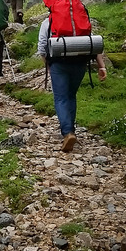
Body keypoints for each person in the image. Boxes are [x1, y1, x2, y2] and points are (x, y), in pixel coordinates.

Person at [37, 15, 106, 152]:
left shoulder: (48, 22)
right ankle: (71, 130)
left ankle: (68, 132)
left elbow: (42, 47)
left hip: (59, 64)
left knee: (61, 98)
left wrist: (49, 66)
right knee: (71, 95)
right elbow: (93, 44)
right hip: (80, 64)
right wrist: (102, 66)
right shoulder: (80, 21)